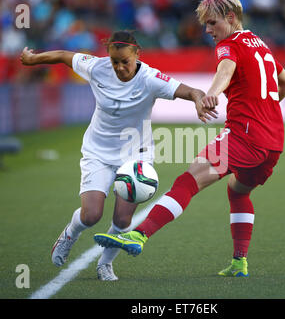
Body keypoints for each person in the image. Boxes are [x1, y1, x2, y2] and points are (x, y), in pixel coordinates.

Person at [94, 0, 285, 277]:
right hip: (273, 141)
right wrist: (265, 110)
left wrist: (212, 93)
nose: (208, 31)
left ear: (232, 17)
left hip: (244, 135)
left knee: (189, 179)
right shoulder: (261, 44)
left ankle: (138, 235)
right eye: (206, 25)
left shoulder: (229, 44)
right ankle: (239, 262)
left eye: (213, 23)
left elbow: (226, 69)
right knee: (237, 190)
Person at [20, 30, 217, 281]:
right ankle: (71, 232)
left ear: (137, 55)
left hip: (136, 155)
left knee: (123, 219)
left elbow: (191, 91)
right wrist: (32, 59)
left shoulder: (151, 78)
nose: (119, 67)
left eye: (125, 61)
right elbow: (62, 55)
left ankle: (105, 264)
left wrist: (199, 101)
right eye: (115, 61)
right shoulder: (96, 67)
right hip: (97, 151)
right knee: (91, 215)